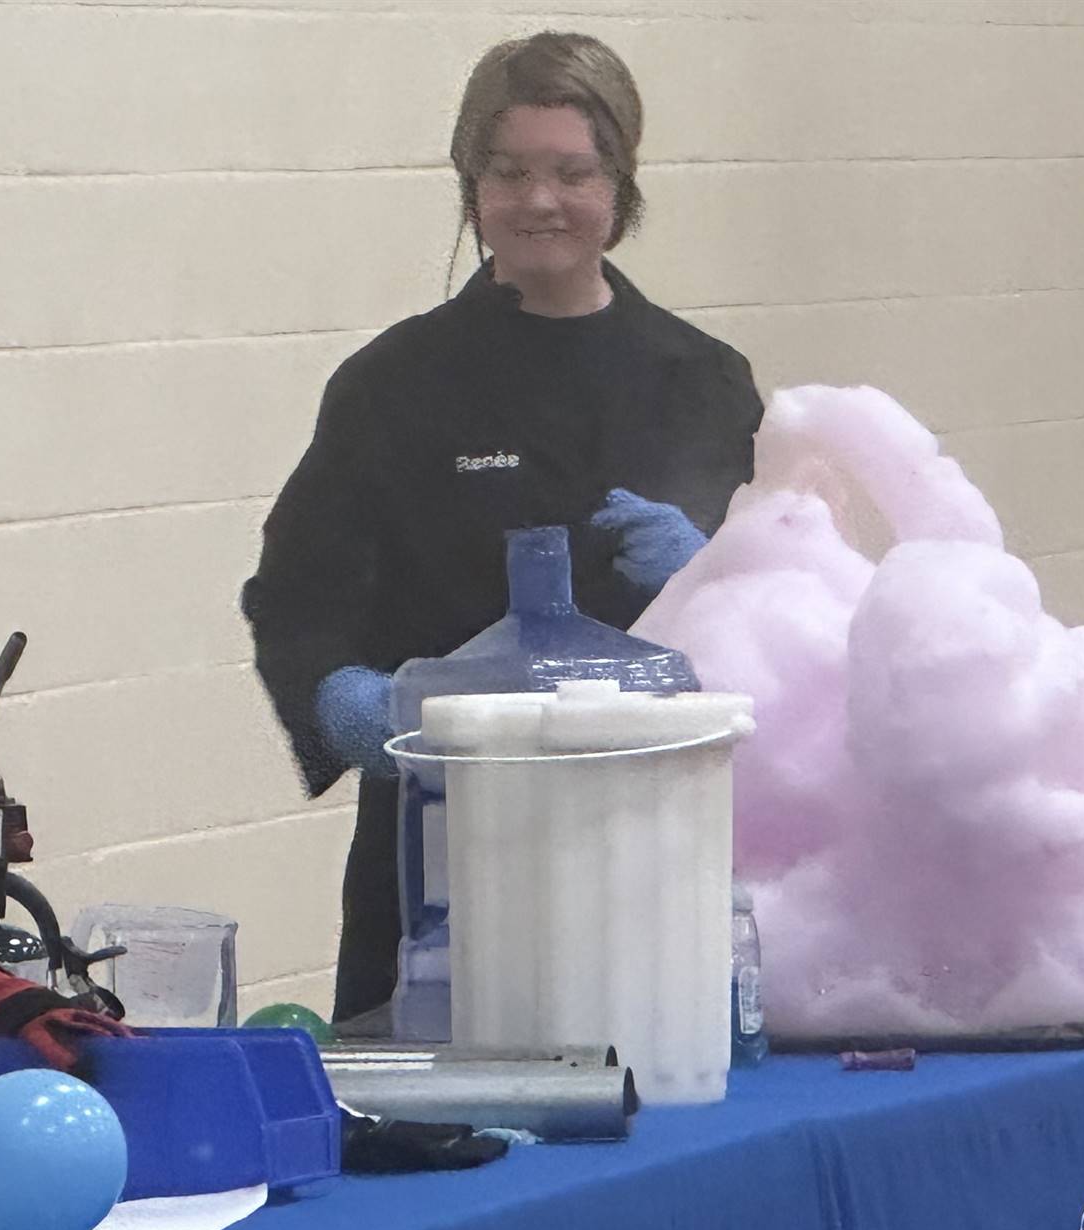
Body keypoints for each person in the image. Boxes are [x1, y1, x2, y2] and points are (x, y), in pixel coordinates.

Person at [242, 32, 764, 1025]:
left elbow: (790, 611)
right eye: (508, 171)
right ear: (470, 185)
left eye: (573, 172)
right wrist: (347, 703)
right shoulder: (394, 386)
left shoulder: (701, 381)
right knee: (438, 1133)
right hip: (437, 838)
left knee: (652, 1078)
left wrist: (714, 584)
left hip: (650, 828)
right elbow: (296, 597)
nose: (538, 201)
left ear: (622, 184)